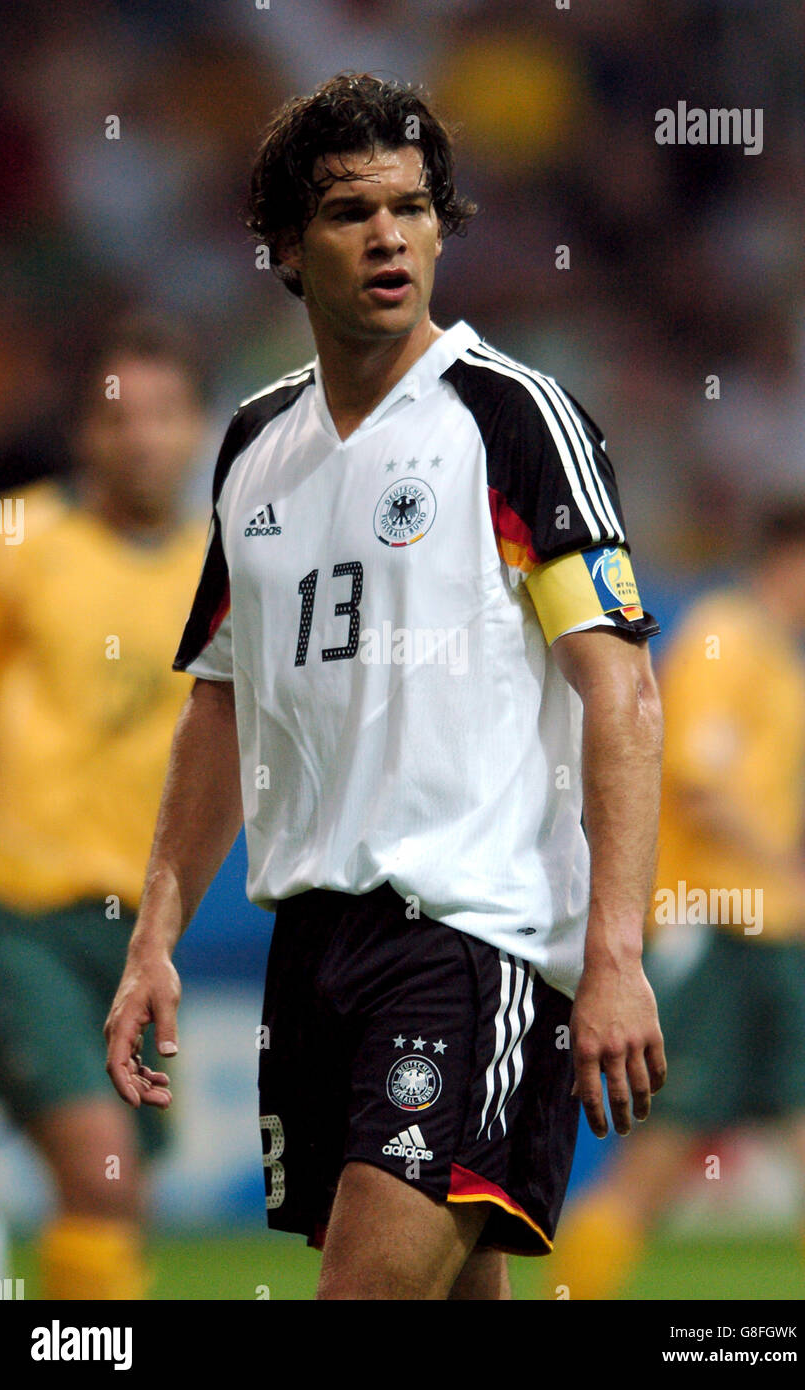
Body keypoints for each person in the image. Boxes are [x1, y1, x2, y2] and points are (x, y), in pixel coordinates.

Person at [105, 73, 666, 1302]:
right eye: (352, 211)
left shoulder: (509, 418)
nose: (389, 236)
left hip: (469, 936)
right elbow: (222, 702)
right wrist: (155, 928)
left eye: (412, 208)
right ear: (285, 248)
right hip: (313, 947)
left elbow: (619, 694)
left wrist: (613, 952)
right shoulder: (256, 443)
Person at [545, 502, 805, 1299]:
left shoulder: (784, 659)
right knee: (651, 1169)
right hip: (710, 930)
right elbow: (704, 790)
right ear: (800, 557)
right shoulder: (727, 636)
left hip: (771, 943)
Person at [0, 315, 207, 1299]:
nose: (143, 436)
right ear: (84, 433)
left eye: (164, 414)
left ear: (198, 428)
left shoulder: (223, 571)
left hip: (136, 936)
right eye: (120, 416)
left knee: (126, 1192)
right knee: (101, 1164)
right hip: (12, 910)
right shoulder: (13, 539)